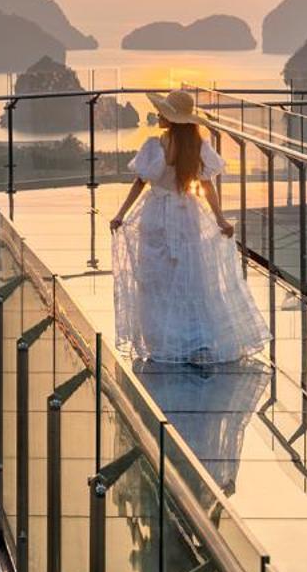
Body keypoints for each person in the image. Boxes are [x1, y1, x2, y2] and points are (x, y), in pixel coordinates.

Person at [108, 89, 270, 365]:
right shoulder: (196, 146)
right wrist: (219, 219)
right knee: (192, 279)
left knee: (157, 280)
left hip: (156, 214)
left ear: (171, 119)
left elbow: (140, 183)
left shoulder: (155, 145)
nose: (158, 114)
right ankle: (195, 338)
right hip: (187, 214)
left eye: (162, 112)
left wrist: (121, 214)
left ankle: (163, 340)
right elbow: (206, 186)